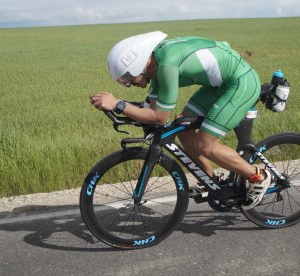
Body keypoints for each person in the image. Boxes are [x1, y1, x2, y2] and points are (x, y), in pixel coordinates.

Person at [90, 31, 271, 209]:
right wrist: (120, 107)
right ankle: (212, 181)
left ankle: (258, 176)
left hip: (241, 83)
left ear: (138, 64)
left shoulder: (167, 66)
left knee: (205, 145)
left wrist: (118, 104)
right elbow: (148, 110)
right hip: (219, 86)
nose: (129, 84)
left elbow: (159, 118)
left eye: (128, 78)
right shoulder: (156, 68)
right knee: (183, 128)